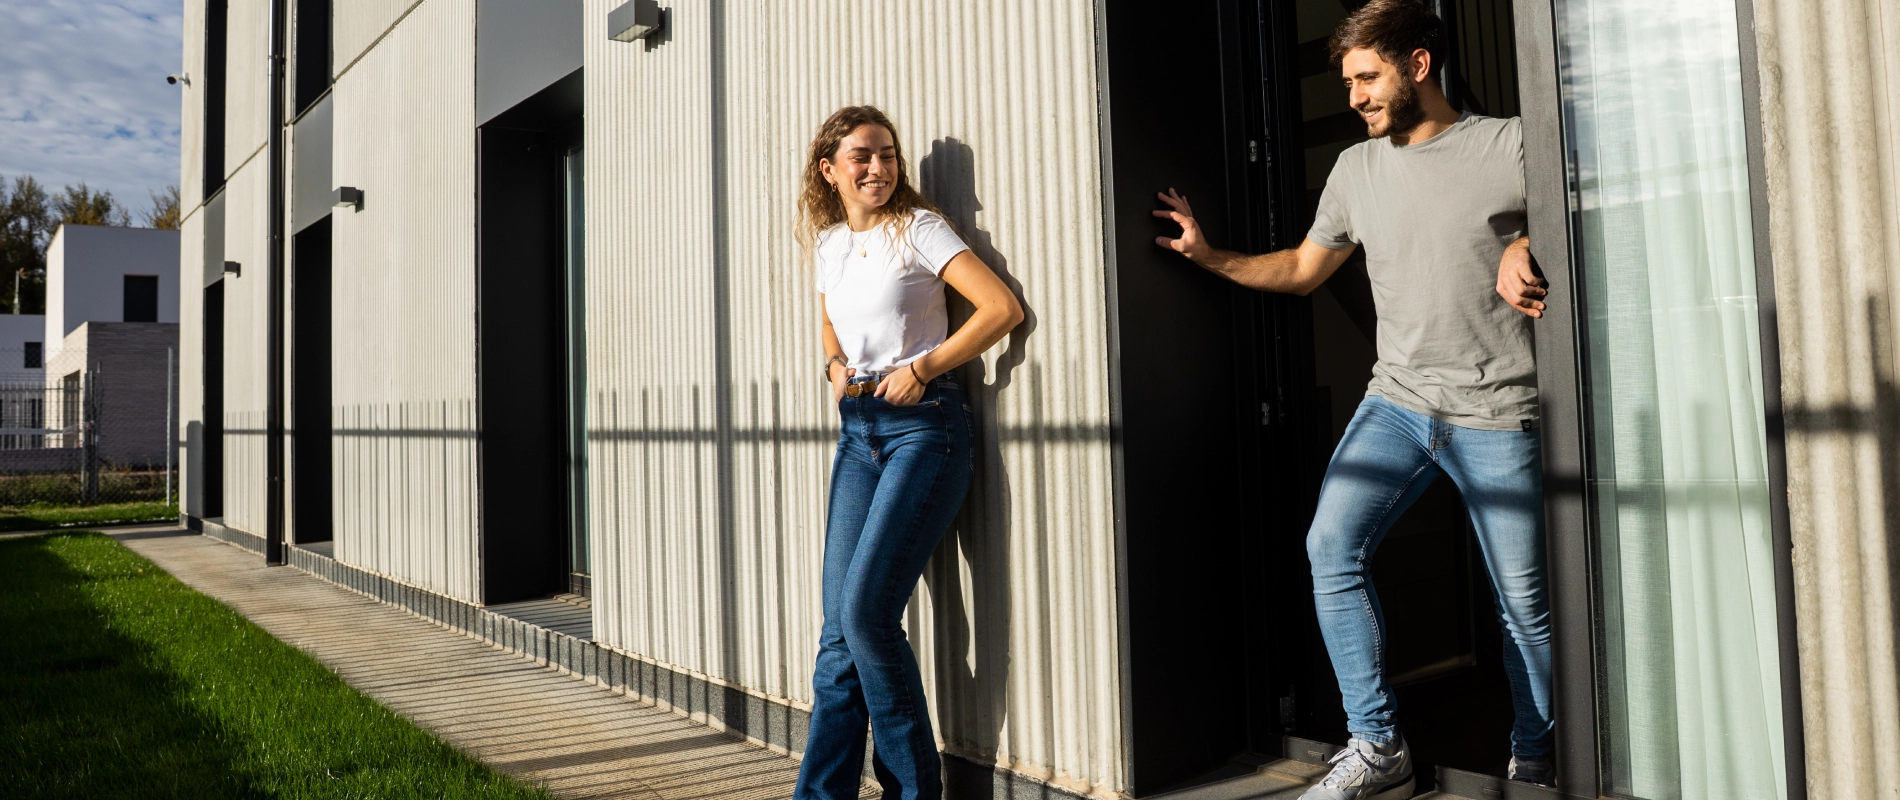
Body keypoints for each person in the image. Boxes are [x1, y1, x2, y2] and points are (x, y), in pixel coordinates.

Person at [1153, 2, 1554, 798]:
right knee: (1330, 552)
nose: (1355, 97)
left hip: (1498, 407)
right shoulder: (1355, 170)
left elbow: (1582, 202)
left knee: (1524, 610)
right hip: (1397, 402)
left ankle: (1538, 758)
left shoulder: (1510, 144)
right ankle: (1378, 747)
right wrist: (1210, 257)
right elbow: (1304, 271)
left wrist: (1525, 237)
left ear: (1418, 66)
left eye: (1367, 77)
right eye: (1347, 82)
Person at [792, 106, 1023, 800]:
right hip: (858, 431)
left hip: (925, 427)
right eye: (862, 157)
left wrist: (923, 367)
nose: (879, 168)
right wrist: (834, 368)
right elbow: (832, 325)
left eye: (888, 155)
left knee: (864, 615)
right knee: (838, 639)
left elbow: (999, 309)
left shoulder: (918, 229)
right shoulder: (831, 245)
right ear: (830, 171)